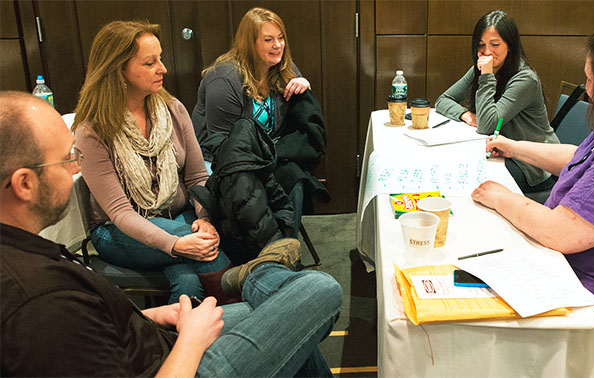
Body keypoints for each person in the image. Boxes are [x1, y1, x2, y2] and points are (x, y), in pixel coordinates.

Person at [0, 91, 342, 377]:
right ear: (25, 184)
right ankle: (259, 273)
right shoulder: (36, 299)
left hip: (155, 340)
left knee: (283, 315)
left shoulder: (25, 255)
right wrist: (191, 341)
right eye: (66, 159)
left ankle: (257, 276)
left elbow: (83, 335)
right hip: (181, 364)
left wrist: (146, 316)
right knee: (318, 289)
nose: (77, 167)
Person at [471, 21, 594, 369]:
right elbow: (581, 158)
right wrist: (514, 147)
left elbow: (561, 233)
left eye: (591, 80)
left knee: (493, 329)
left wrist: (499, 195)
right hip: (591, 280)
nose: (588, 90)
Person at [72, 21, 234, 304]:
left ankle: (172, 345)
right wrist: (177, 243)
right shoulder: (92, 131)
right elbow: (121, 213)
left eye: (160, 58)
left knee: (187, 280)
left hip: (179, 216)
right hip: (117, 231)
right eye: (150, 62)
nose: (163, 68)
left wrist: (205, 219)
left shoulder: (173, 109)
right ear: (118, 69)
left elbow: (197, 178)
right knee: (205, 246)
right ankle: (248, 308)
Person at [192, 7, 328, 239]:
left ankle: (286, 246)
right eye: (268, 39)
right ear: (249, 43)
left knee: (295, 179)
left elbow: (297, 115)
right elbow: (221, 143)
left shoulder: (284, 69)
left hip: (264, 154)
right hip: (222, 159)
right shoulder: (224, 79)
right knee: (250, 192)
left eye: (281, 37)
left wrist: (304, 85)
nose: (278, 45)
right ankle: (257, 253)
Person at [435, 10, 559, 196]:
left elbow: (486, 125)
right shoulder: (484, 67)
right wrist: (465, 115)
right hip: (502, 152)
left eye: (495, 44)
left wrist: (486, 76)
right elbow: (443, 100)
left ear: (510, 45)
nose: (486, 52)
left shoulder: (525, 79)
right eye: (481, 45)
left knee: (472, 181)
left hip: (532, 166)